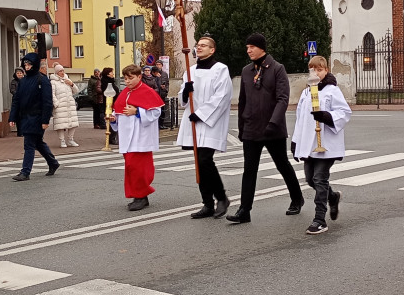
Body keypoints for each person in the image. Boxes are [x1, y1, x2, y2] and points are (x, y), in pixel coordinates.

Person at [227, 34, 304, 224]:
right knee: (249, 170)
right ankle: (244, 210)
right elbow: (242, 101)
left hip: (272, 129)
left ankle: (297, 198)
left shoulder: (277, 69)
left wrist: (273, 123)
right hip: (251, 128)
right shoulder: (246, 71)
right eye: (247, 47)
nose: (248, 50)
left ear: (262, 48)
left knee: (282, 165)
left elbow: (283, 99)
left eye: (252, 47)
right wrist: (242, 127)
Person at [290, 56, 352, 235]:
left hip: (326, 143)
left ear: (326, 70)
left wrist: (327, 117)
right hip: (309, 144)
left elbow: (344, 112)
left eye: (319, 69)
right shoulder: (306, 92)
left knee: (319, 178)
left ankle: (319, 219)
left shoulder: (332, 90)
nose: (315, 73)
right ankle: (332, 197)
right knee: (310, 179)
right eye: (312, 70)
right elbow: (301, 119)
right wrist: (296, 142)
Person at [176, 36, 233, 220]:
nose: (199, 48)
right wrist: (185, 91)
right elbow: (182, 98)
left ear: (212, 49)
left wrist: (201, 114)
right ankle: (207, 203)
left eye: (203, 45)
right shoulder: (190, 70)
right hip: (193, 121)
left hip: (209, 122)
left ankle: (222, 197)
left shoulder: (220, 69)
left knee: (205, 159)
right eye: (197, 45)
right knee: (199, 163)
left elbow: (222, 96)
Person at [111, 63, 164, 210]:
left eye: (130, 78)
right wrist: (114, 118)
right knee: (130, 167)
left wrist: (138, 111)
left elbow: (156, 112)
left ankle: (141, 196)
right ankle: (138, 195)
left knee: (139, 168)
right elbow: (119, 110)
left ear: (139, 77)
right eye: (125, 79)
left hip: (141, 137)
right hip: (127, 137)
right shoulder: (125, 92)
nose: (127, 81)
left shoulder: (147, 91)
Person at [8, 53, 59, 181]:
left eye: (29, 64)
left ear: (34, 65)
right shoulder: (23, 81)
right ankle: (53, 163)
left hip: (37, 117)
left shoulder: (42, 80)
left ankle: (25, 172)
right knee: (38, 143)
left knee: (29, 144)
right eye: (25, 64)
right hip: (25, 117)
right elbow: (17, 100)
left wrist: (45, 120)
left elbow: (47, 102)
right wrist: (12, 117)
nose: (27, 66)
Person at [50, 64, 80, 147]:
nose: (62, 72)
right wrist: (56, 103)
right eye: (60, 71)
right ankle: (62, 140)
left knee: (73, 123)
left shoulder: (67, 80)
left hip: (70, 104)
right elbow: (52, 94)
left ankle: (71, 139)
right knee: (60, 124)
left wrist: (72, 84)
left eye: (63, 70)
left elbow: (76, 91)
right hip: (60, 106)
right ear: (56, 72)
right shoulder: (53, 82)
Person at [101, 67, 119, 145]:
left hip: (114, 102)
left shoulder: (111, 81)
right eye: (111, 72)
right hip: (109, 103)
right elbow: (109, 93)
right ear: (108, 74)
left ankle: (113, 137)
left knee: (114, 119)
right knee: (111, 119)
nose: (113, 74)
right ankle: (111, 138)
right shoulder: (106, 82)